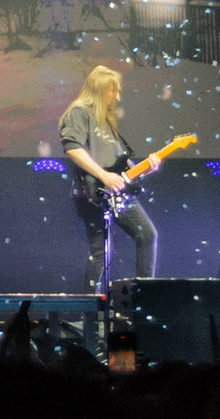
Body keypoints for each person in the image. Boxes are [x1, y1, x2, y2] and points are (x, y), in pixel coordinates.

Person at [60, 63, 157, 291]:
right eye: (114, 90)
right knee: (101, 250)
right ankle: (91, 311)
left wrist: (147, 168)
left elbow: (121, 166)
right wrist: (103, 175)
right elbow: (72, 147)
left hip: (117, 193)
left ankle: (147, 298)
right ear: (101, 89)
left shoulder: (106, 122)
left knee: (148, 235)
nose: (117, 96)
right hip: (93, 193)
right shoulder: (79, 111)